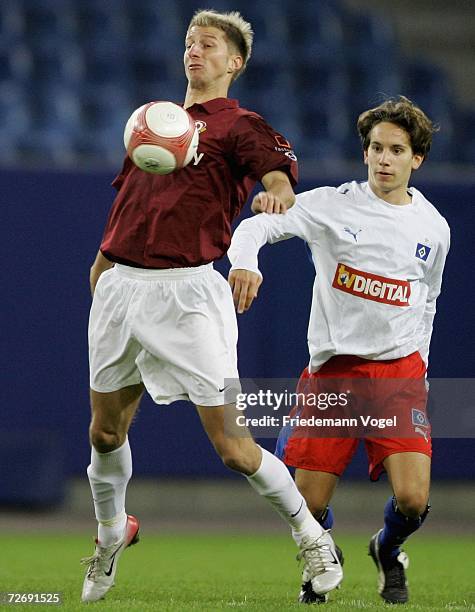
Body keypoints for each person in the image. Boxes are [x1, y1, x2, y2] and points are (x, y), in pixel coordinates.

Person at [82, 9, 342, 604]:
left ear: (235, 61)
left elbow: (278, 178)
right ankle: (109, 535)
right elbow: (129, 201)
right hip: (122, 284)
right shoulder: (152, 122)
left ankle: (311, 536)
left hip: (190, 294)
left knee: (231, 446)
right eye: (189, 43)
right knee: (103, 432)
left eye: (209, 45)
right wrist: (102, 262)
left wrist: (277, 197)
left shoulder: (241, 125)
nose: (194, 52)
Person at [228, 96, 450, 604]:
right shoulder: (331, 205)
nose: (384, 159)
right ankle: (322, 550)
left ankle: (387, 547)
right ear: (365, 152)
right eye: (375, 148)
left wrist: (421, 365)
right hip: (334, 376)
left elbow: (429, 300)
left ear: (417, 158)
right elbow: (257, 226)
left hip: (399, 377)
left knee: (413, 500)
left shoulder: (434, 228)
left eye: (397, 150)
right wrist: (246, 263)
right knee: (305, 503)